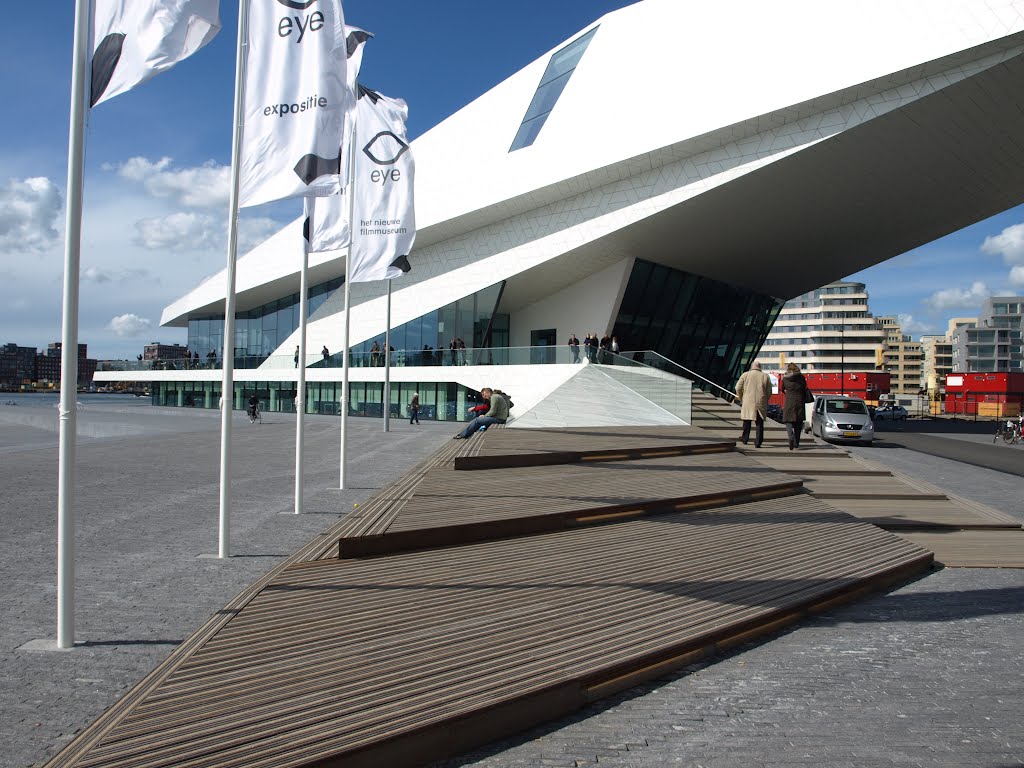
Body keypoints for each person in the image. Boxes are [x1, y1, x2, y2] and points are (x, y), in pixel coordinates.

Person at [734, 361, 773, 448]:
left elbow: (737, 387)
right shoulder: (765, 376)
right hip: (760, 401)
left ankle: (745, 439)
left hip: (748, 400)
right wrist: (765, 399)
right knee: (759, 423)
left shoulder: (745, 375)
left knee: (746, 421)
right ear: (760, 367)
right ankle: (758, 442)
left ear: (752, 367)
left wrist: (741, 397)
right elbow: (769, 391)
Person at [780, 362, 810, 450]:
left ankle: (791, 437)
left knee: (788, 421)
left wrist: (787, 393)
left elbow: (782, 389)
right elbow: (805, 388)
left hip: (789, 402)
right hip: (799, 402)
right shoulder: (801, 378)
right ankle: (796, 443)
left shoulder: (785, 379)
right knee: (798, 423)